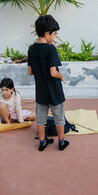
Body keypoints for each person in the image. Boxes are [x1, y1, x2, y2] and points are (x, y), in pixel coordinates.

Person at [27, 15, 69, 152]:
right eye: (54, 34)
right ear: (47, 33)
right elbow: (53, 73)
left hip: (41, 92)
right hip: (54, 92)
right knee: (59, 118)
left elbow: (30, 72)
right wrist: (61, 75)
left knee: (40, 120)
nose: (54, 37)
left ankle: (42, 142)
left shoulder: (32, 49)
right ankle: (61, 142)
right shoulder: (51, 49)